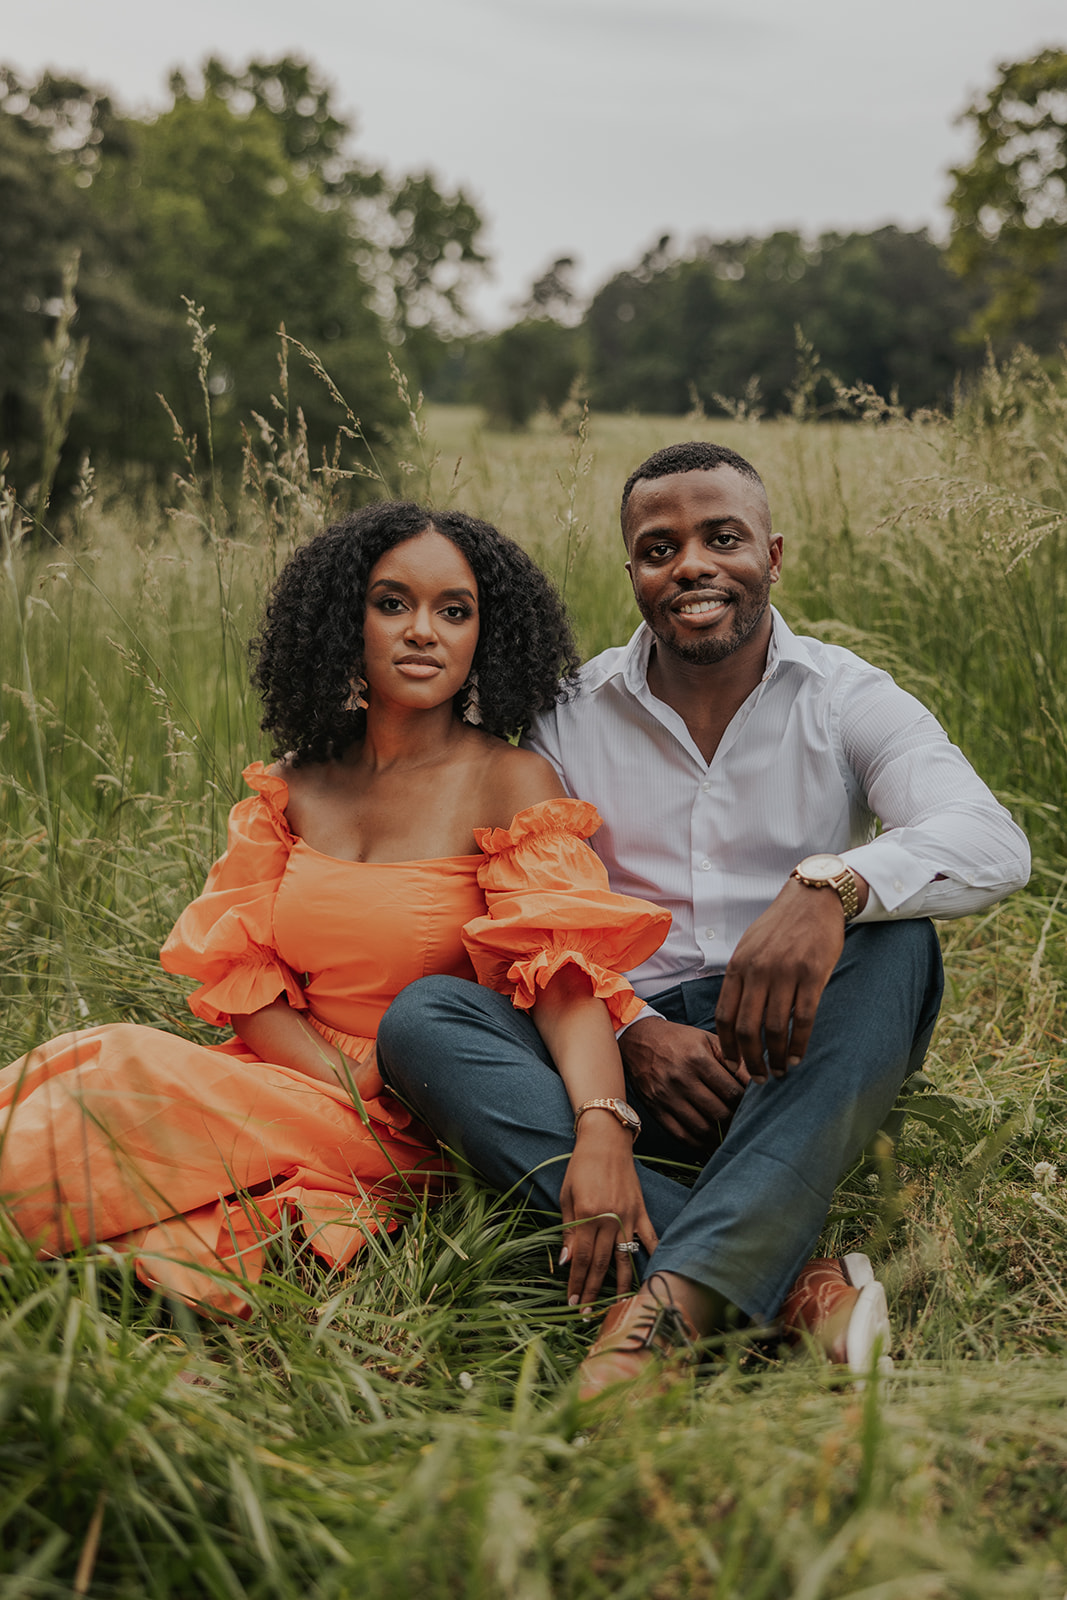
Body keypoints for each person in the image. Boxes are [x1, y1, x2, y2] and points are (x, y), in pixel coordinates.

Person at [376, 442, 1031, 1393]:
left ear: (771, 556)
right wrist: (630, 1027)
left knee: (896, 941)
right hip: (621, 1074)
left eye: (721, 538)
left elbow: (987, 839)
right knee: (424, 1021)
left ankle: (662, 1322)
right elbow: (543, 911)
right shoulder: (569, 715)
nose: (690, 564)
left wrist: (828, 888)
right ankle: (795, 1289)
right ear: (636, 574)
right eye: (659, 547)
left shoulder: (845, 697)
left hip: (791, 1057)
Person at [0, 501, 672, 1316]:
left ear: (483, 638)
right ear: (342, 622)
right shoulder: (293, 785)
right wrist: (337, 1080)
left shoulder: (509, 781)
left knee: (119, 1077)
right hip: (298, 1076)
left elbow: (566, 978)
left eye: (453, 611)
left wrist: (601, 1125)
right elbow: (246, 977)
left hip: (420, 1098)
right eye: (392, 603)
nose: (422, 630)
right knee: (73, 1068)